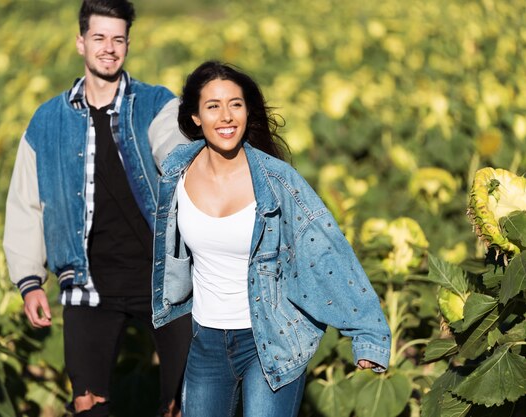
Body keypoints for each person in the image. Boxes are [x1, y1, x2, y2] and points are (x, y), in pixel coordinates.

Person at [151, 61, 392, 417]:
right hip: (206, 341)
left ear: (248, 111)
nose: (226, 116)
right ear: (195, 117)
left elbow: (324, 252)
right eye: (213, 106)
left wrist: (368, 335)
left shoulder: (279, 181)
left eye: (236, 104)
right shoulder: (176, 172)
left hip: (272, 339)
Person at [3, 1, 191, 416]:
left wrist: (182, 160)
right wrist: (29, 280)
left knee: (182, 405)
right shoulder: (47, 121)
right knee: (88, 405)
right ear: (81, 42)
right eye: (100, 38)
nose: (109, 48)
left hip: (165, 282)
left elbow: (176, 149)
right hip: (90, 285)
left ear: (127, 44)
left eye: (118, 39)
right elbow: (25, 203)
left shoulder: (157, 104)